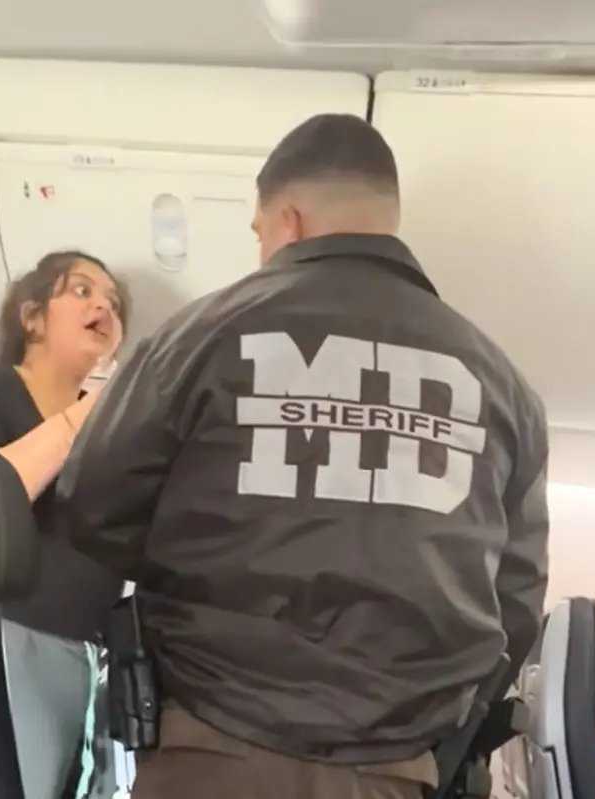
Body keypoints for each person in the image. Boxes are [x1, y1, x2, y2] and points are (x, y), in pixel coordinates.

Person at [54, 113, 551, 799]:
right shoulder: (501, 384)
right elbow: (516, 604)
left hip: (210, 754)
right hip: (396, 771)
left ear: (288, 221)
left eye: (258, 232)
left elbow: (94, 505)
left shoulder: (200, 336)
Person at [0, 250, 129, 799]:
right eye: (81, 290)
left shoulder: (114, 437)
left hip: (88, 662)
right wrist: (86, 415)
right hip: (0, 642)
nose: (104, 306)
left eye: (113, 301)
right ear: (31, 317)